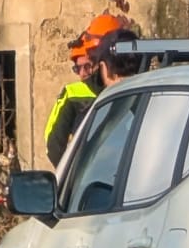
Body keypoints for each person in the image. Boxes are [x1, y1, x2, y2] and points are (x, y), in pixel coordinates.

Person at [42, 13, 139, 168]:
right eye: (77, 68)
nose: (83, 73)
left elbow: (52, 144)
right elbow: (53, 144)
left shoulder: (136, 89)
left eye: (88, 64)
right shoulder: (73, 94)